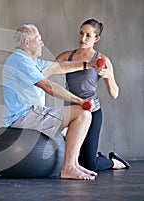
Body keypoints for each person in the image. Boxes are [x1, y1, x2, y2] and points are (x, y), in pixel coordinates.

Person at [2, 24, 100, 180]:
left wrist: (88, 65)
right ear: (27, 43)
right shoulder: (20, 61)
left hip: (31, 114)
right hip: (23, 117)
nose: (42, 43)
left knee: (83, 114)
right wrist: (80, 100)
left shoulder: (31, 62)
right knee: (82, 114)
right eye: (38, 39)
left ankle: (73, 164)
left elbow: (59, 67)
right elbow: (47, 86)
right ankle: (68, 167)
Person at [55, 18, 130, 171]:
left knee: (89, 164)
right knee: (72, 159)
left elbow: (115, 93)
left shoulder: (102, 60)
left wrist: (108, 75)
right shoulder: (67, 56)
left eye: (88, 35)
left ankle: (115, 162)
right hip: (70, 112)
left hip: (92, 112)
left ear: (96, 39)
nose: (83, 38)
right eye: (81, 33)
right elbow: (47, 71)